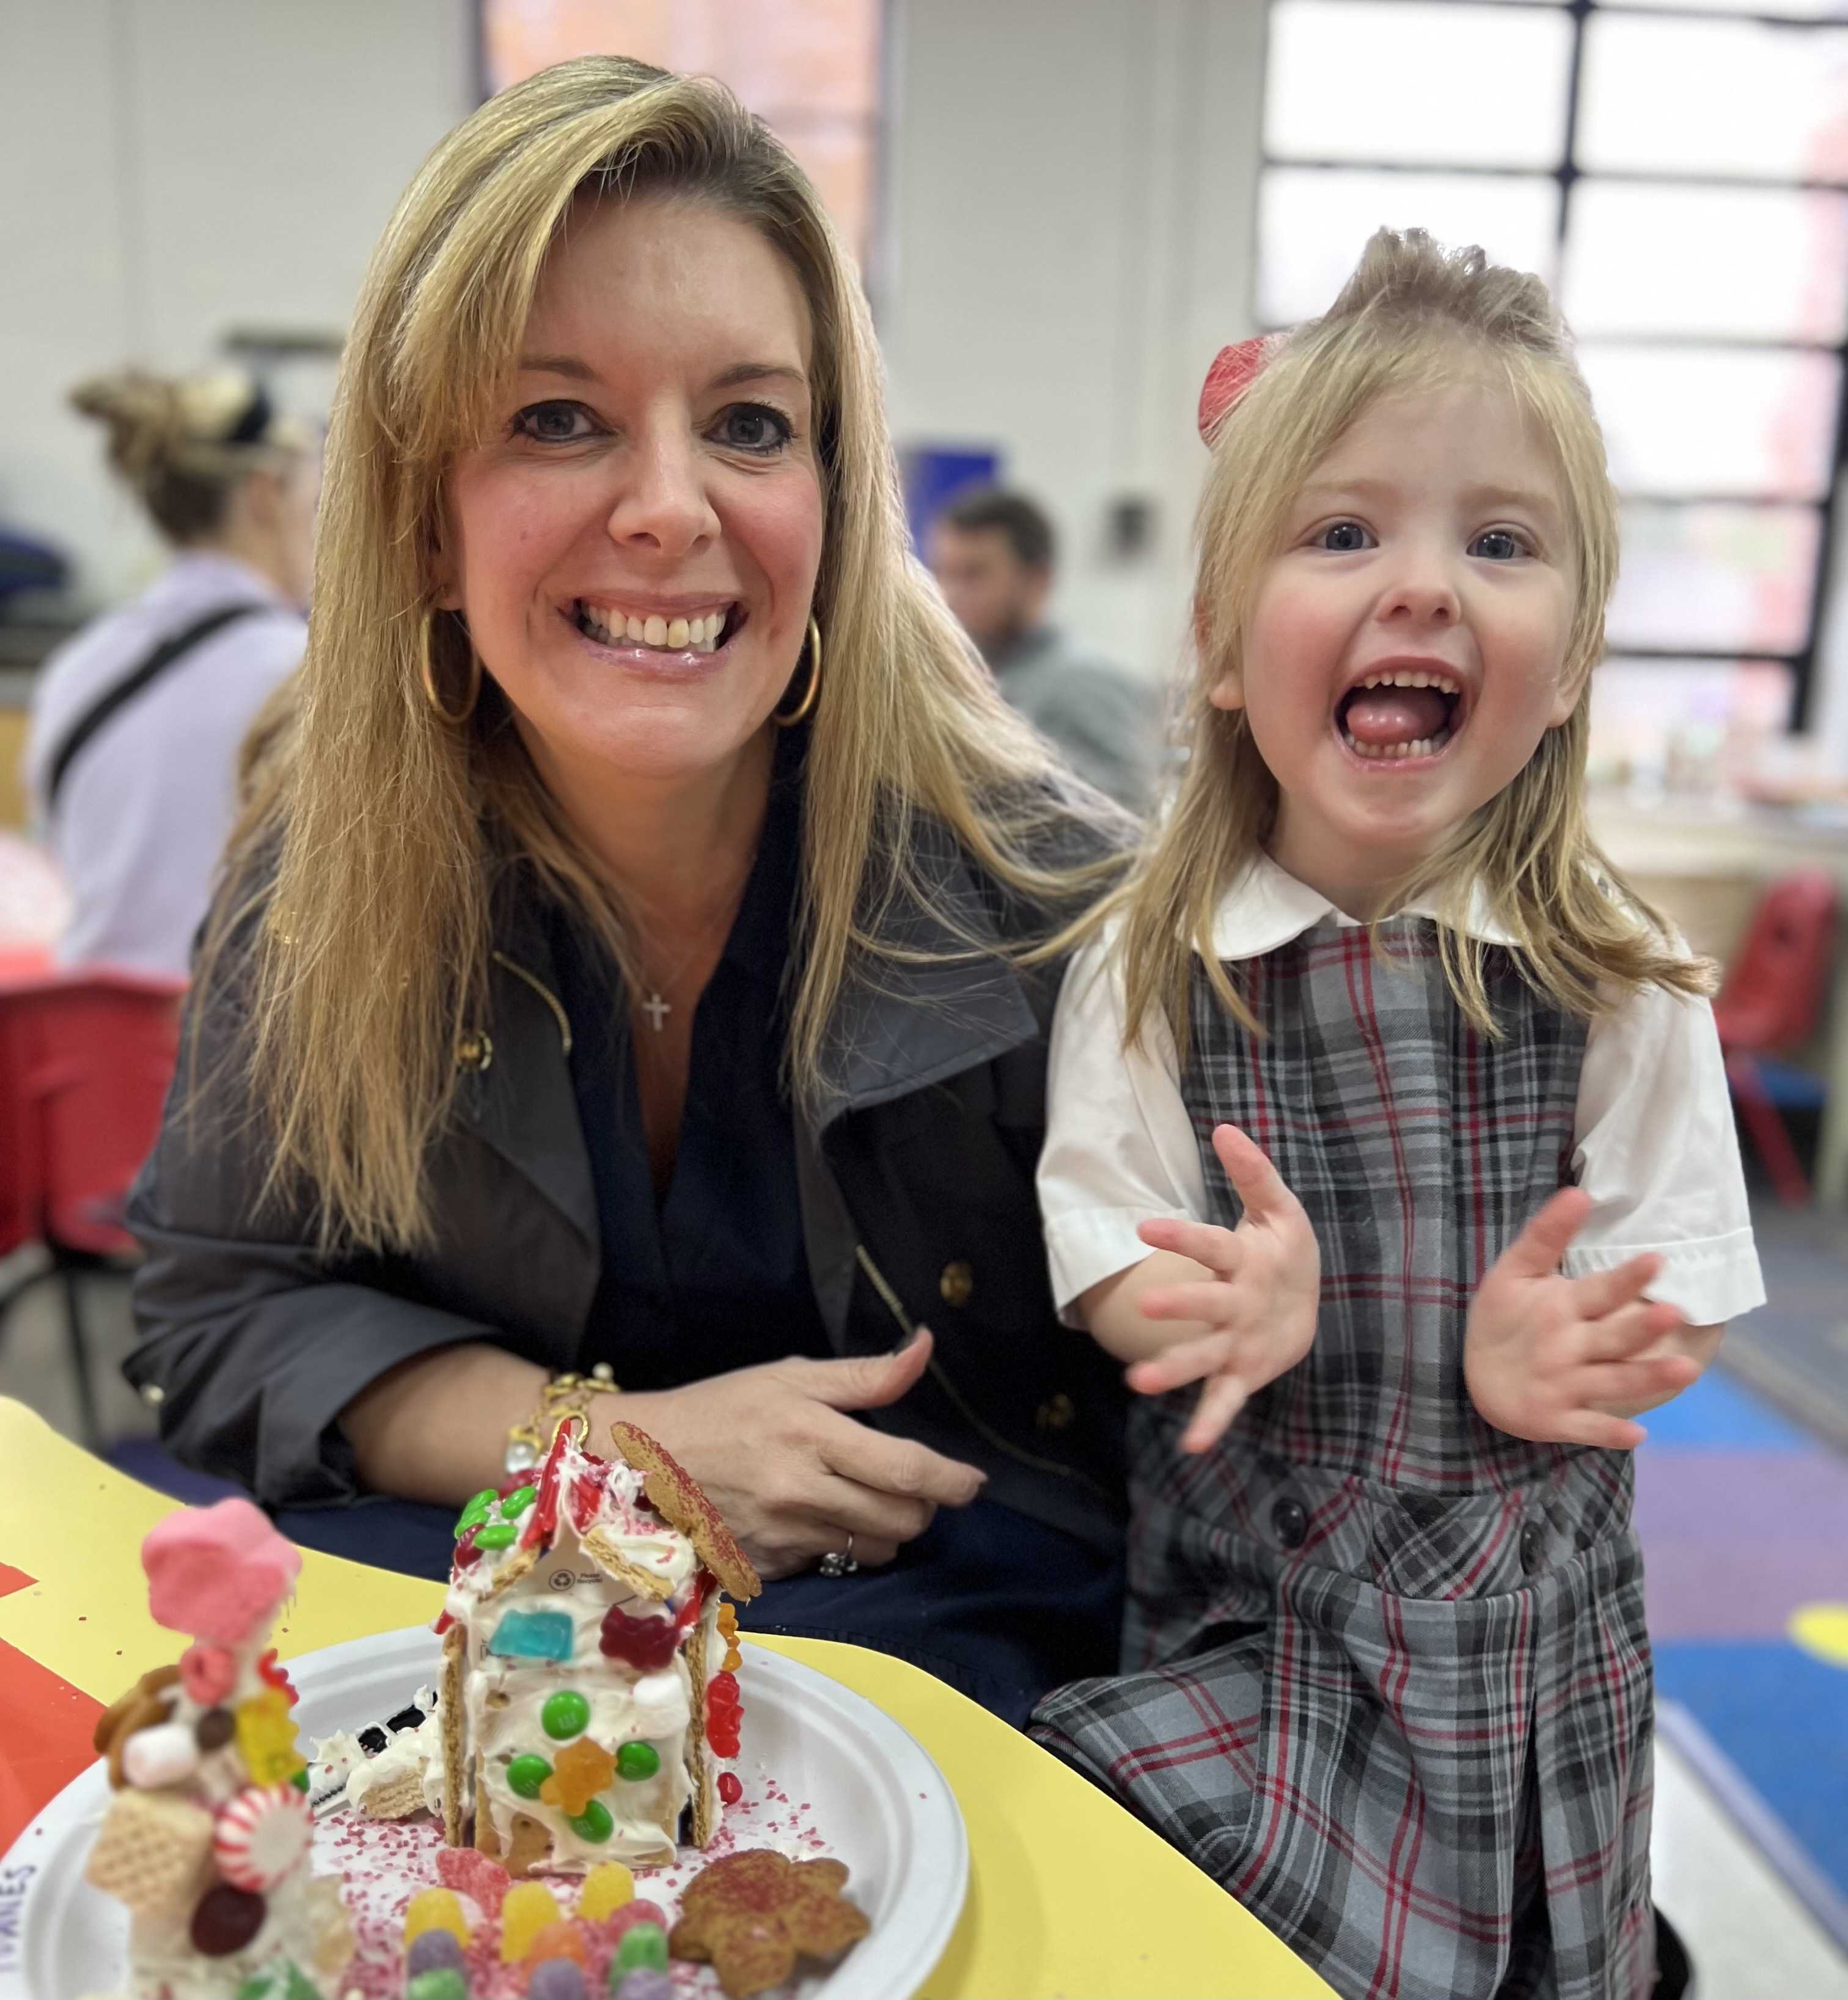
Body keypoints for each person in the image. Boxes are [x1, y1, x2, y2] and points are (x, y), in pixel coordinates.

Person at [123, 56, 1132, 1729]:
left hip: (935, 1699)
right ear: (426, 522)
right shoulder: (322, 871)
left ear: (835, 491)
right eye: (556, 418)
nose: (671, 510)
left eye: (750, 423)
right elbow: (218, 1304)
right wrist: (609, 1448)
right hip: (459, 1648)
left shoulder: (1055, 900)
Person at [1028, 232, 1764, 1996]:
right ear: (1219, 644)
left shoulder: (1621, 975)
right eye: (1345, 533)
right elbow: (1097, 1217)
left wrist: (1570, 1361)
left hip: (1524, 1631)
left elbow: (1678, 1273)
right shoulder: (1151, 957)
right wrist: (1196, 1304)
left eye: (1499, 543)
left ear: (1572, 659)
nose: (1424, 587)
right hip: (1259, 1617)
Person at [23, 371, 318, 977]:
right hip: (230, 1049)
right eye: (312, 507)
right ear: (264, 494)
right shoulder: (304, 672)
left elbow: (59, 857)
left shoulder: (75, 669)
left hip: (86, 1053)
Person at [927, 486, 1157, 810]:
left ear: (1037, 579)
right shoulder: (969, 678)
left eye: (974, 574)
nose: (950, 594)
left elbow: (1128, 820)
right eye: (943, 573)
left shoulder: (1086, 683)